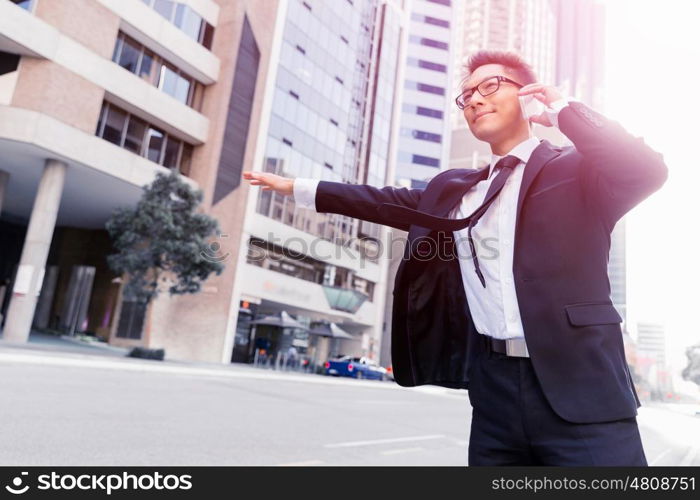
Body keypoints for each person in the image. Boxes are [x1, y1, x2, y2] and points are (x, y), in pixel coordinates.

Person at [242, 50, 668, 466]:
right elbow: (384, 201)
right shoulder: (458, 190)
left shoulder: (577, 169)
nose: (475, 99)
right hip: (494, 395)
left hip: (582, 389)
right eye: (466, 96)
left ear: (527, 93)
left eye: (490, 85)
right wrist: (297, 187)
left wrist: (562, 111)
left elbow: (645, 169)